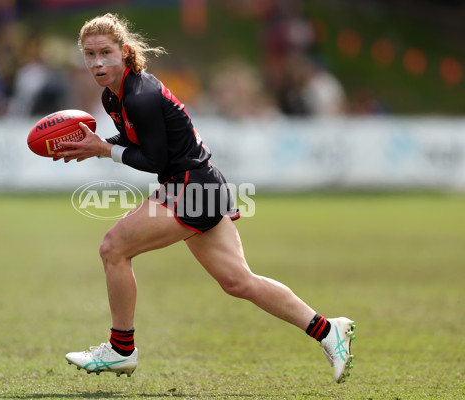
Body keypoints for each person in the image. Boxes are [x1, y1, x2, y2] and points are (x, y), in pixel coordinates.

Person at [54, 13, 356, 384]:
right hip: (201, 185)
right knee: (238, 281)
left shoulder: (140, 95)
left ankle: (121, 350)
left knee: (113, 247)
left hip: (191, 186)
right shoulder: (115, 96)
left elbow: (154, 159)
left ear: (126, 52)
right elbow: (141, 144)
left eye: (106, 52)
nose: (98, 62)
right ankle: (328, 330)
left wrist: (105, 149)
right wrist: (100, 146)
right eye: (89, 54)